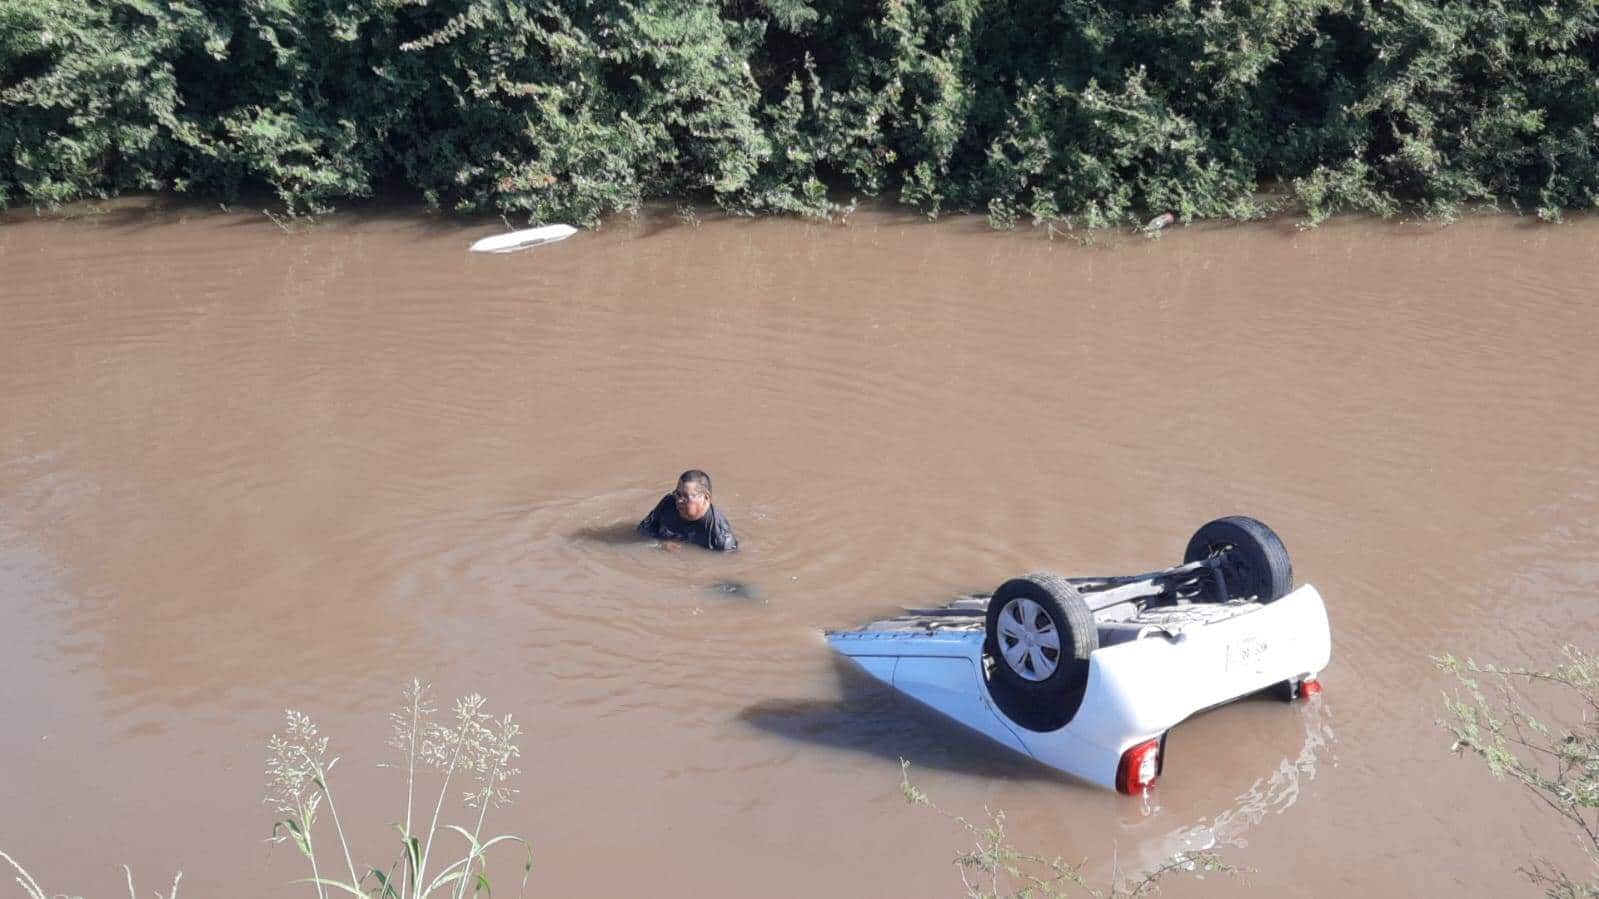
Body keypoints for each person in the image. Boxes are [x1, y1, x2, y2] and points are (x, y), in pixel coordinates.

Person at [638, 470, 738, 551]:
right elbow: (643, 530)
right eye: (678, 494)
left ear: (706, 498)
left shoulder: (720, 538)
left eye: (686, 496)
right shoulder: (669, 502)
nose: (679, 500)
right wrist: (660, 544)